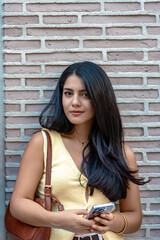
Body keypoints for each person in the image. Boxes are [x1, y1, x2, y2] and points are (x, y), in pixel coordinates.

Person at [10, 61, 147, 240]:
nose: (75, 102)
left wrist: (112, 222)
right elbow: (18, 204)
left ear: (100, 98)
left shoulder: (121, 153)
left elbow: (135, 217)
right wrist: (57, 220)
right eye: (68, 93)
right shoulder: (43, 143)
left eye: (85, 95)